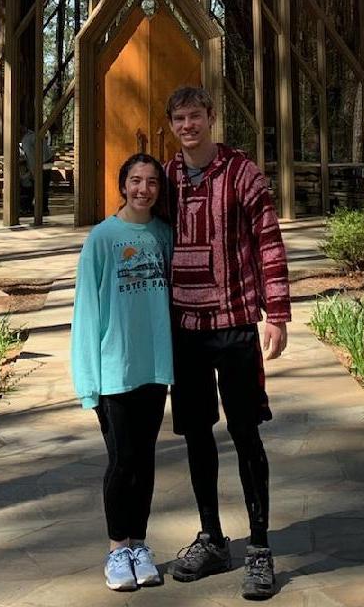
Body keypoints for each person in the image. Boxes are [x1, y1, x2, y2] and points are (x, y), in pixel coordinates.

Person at [163, 84, 290, 601]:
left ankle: (259, 549)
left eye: (195, 116)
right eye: (178, 119)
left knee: (245, 433)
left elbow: (269, 241)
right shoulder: (166, 178)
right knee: (196, 434)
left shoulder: (242, 173)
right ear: (171, 125)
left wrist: (276, 314)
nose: (188, 126)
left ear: (211, 118)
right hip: (184, 330)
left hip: (235, 324)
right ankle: (212, 538)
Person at [71, 152, 174, 592]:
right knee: (122, 461)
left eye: (152, 182)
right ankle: (117, 549)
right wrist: (88, 381)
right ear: (122, 184)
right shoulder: (102, 238)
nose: (143, 189)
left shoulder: (165, 235)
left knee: (146, 460)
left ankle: (140, 544)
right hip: (114, 368)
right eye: (135, 180)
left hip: (153, 367)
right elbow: (87, 310)